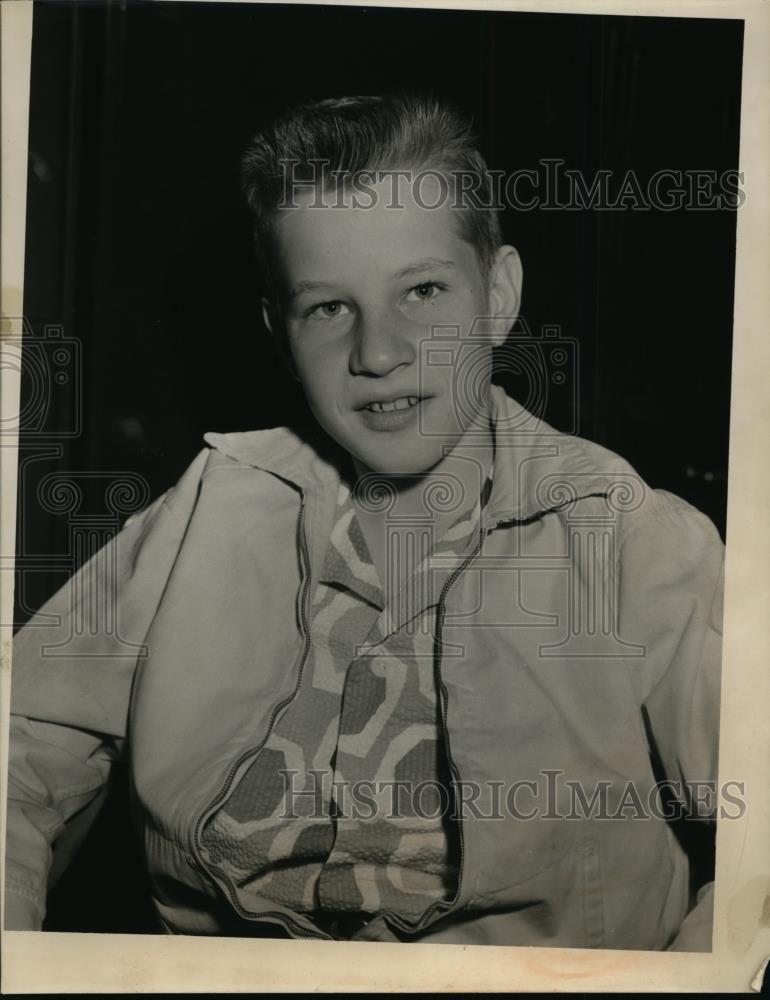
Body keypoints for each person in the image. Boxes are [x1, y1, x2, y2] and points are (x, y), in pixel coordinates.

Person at [5, 93, 724, 950]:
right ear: (281, 332)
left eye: (422, 290)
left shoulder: (631, 539)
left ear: (498, 295)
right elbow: (20, 746)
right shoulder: (206, 511)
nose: (378, 352)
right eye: (328, 308)